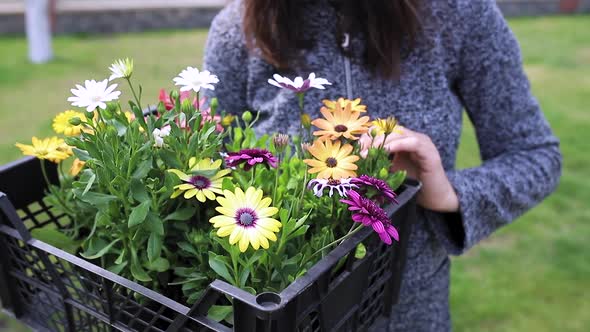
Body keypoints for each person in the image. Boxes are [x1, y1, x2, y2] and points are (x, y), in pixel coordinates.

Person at [202, 0, 562, 330]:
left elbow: (536, 155)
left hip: (410, 316)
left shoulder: (458, 13)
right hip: (281, 314)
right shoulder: (240, 29)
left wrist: (449, 193)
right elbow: (209, 176)